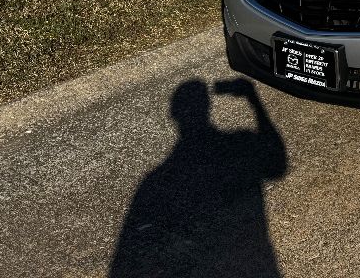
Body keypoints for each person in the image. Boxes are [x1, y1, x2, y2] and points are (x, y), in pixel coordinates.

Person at [109, 78, 287, 277]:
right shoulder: (238, 144)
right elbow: (277, 167)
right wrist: (253, 99)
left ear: (174, 114)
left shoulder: (153, 182)